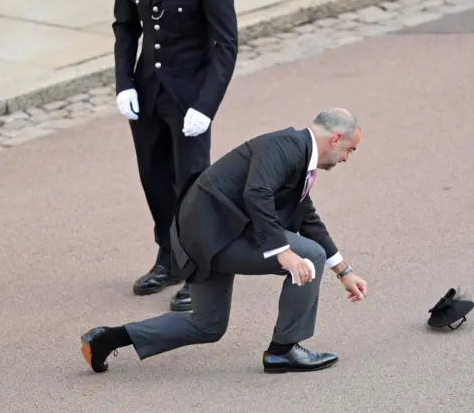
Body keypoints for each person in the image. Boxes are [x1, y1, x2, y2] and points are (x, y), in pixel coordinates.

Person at [80, 108, 368, 374]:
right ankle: (284, 349)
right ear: (336, 139)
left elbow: (307, 217)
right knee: (309, 256)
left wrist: (344, 271)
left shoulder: (296, 154)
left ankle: (107, 339)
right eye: (350, 150)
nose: (347, 158)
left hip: (207, 236)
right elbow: (257, 193)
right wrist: (284, 253)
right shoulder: (286, 147)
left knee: (207, 325)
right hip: (214, 236)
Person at [112, 0, 238, 311]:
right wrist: (124, 83)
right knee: (153, 178)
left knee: (193, 187)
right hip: (147, 92)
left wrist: (206, 105)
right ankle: (168, 257)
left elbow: (226, 44)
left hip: (190, 97)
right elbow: (125, 26)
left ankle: (198, 271)